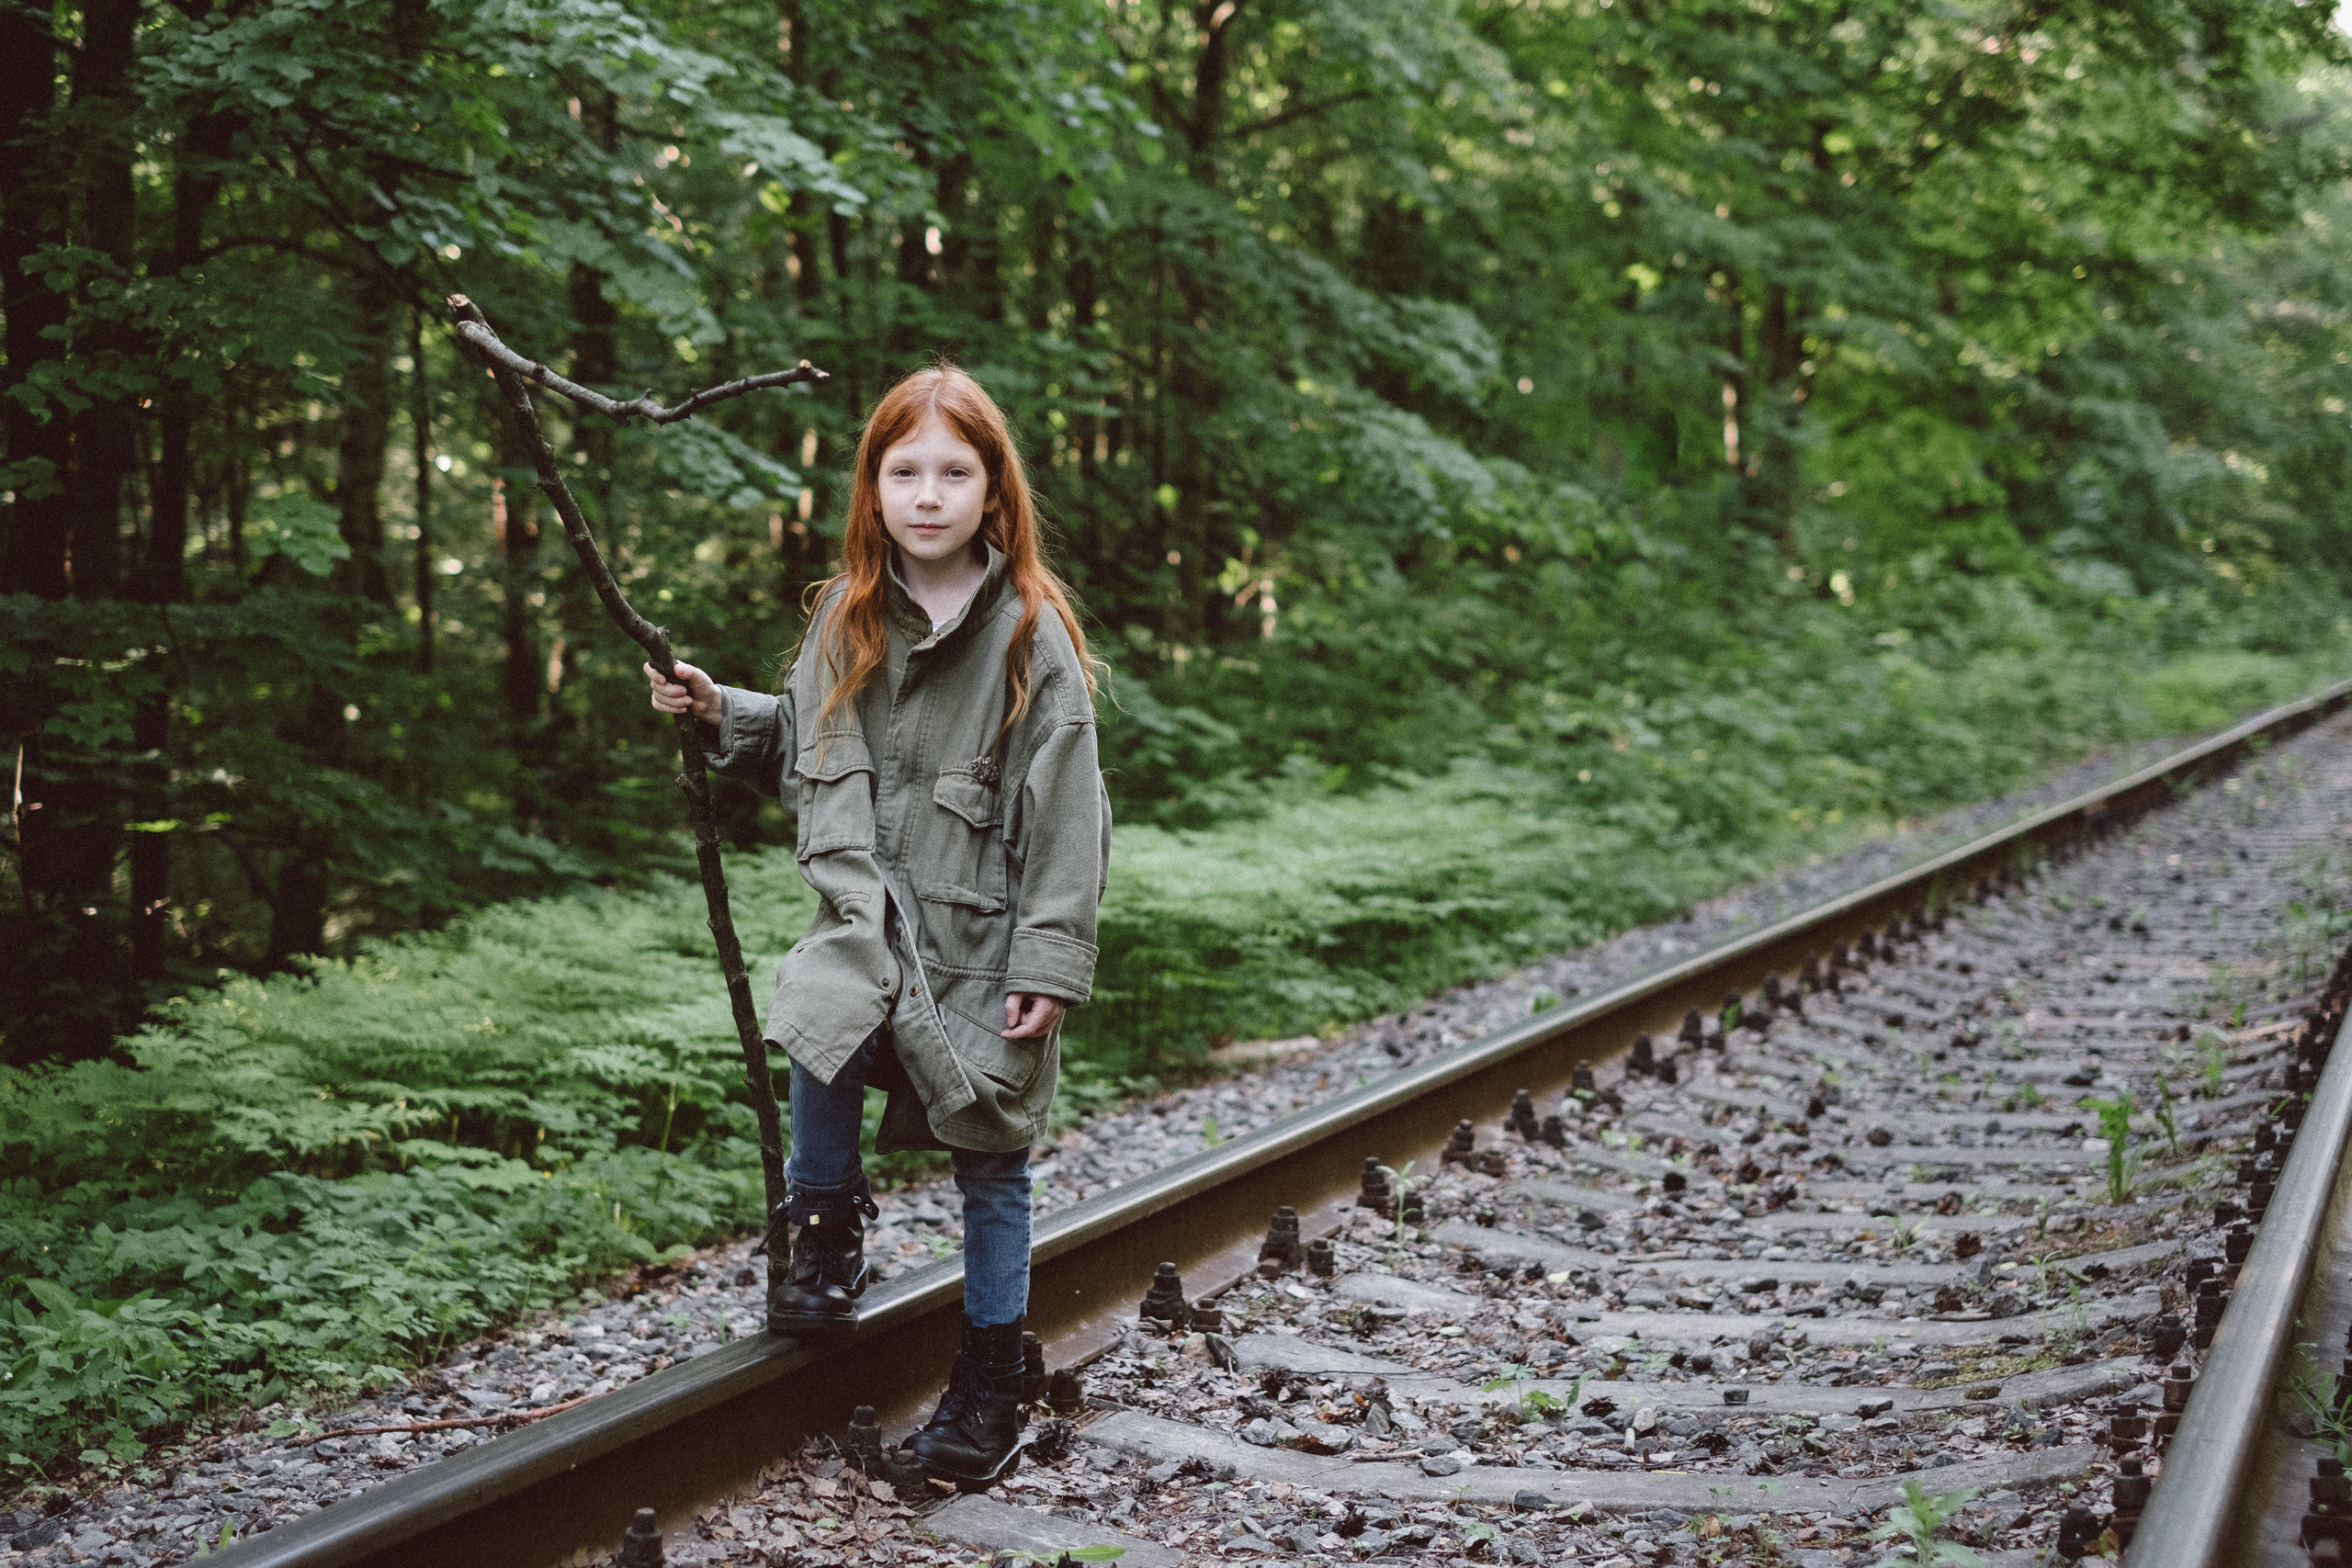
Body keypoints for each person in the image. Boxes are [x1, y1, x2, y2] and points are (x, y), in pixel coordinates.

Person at [643, 365, 1108, 1485]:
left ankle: (993, 1375)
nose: (930, 495)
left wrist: (1048, 956)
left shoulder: (1029, 639)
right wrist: (719, 714)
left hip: (981, 945)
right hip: (868, 931)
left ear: (994, 493)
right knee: (819, 1018)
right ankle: (827, 1225)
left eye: (956, 472)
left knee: (991, 1161)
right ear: (873, 488)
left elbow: (1069, 814)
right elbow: (804, 751)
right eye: (906, 472)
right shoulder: (842, 621)